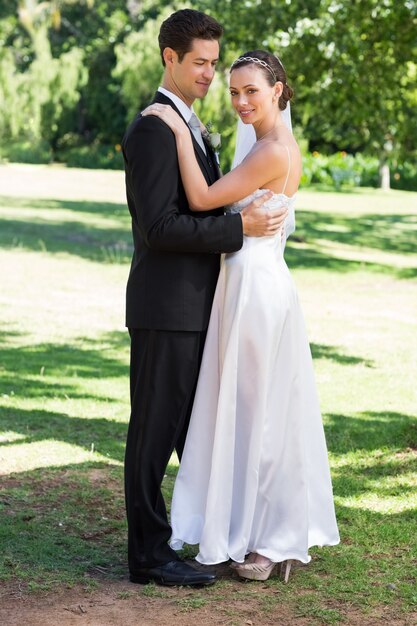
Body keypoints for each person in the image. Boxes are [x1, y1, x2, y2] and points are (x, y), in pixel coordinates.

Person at [142, 50, 340, 582]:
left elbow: (205, 197)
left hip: (254, 288)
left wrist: (179, 130)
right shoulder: (262, 143)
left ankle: (270, 538)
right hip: (245, 282)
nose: (240, 101)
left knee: (260, 411)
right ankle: (251, 530)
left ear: (278, 90)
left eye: (251, 90)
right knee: (254, 408)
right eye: (233, 92)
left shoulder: (274, 150)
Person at [122, 11, 288, 588]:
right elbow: (160, 228)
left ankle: (220, 531)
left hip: (202, 310)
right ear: (169, 57)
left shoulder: (188, 125)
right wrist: (240, 231)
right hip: (166, 308)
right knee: (153, 433)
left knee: (196, 432)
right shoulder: (152, 128)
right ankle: (147, 553)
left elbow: (205, 203)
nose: (209, 75)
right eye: (200, 63)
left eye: (215, 64)